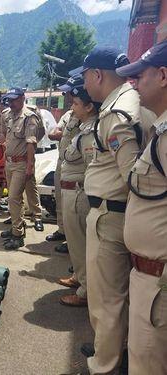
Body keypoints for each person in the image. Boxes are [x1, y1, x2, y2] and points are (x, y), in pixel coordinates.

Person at [70, 46, 153, 374]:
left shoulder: (116, 113)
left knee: (107, 299)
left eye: (86, 75)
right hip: (116, 214)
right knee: (115, 297)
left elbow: (134, 177)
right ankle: (110, 349)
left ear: (98, 75)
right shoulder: (130, 101)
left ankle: (104, 365)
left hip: (110, 214)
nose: (84, 81)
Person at [116, 40, 167, 375]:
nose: (135, 83)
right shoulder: (160, 131)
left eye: (140, 75)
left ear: (162, 75)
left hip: (158, 284)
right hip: (147, 279)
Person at [56, 76, 99, 307]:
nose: (71, 107)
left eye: (75, 104)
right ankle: (78, 278)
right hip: (70, 192)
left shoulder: (91, 131)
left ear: (89, 106)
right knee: (74, 242)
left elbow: (90, 167)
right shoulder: (80, 127)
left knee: (81, 243)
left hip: (79, 193)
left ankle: (84, 292)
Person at [0, 87, 44, 250]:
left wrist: (30, 166)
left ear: (23, 98)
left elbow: (31, 142)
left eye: (14, 99)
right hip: (9, 162)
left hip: (21, 163)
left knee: (13, 198)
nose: (11, 103)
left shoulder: (29, 117)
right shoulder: (8, 116)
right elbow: (6, 136)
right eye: (9, 100)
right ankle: (16, 227)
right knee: (14, 197)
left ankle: (18, 235)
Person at [47, 80, 82, 247]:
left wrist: (62, 134)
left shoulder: (85, 116)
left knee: (72, 206)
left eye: (68, 93)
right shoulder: (68, 115)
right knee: (60, 199)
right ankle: (62, 231)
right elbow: (53, 133)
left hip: (76, 165)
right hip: (62, 162)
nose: (66, 96)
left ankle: (72, 239)